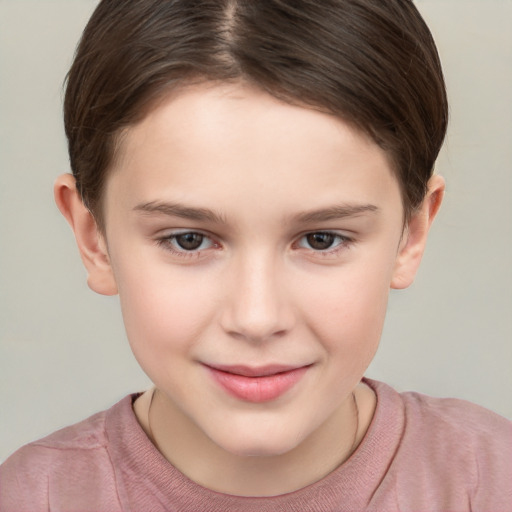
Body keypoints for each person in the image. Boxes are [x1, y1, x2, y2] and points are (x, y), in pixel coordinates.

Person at [1, 0, 511, 510]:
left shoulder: (491, 480)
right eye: (189, 240)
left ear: (411, 233)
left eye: (321, 239)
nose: (257, 318)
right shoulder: (31, 498)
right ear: (95, 239)